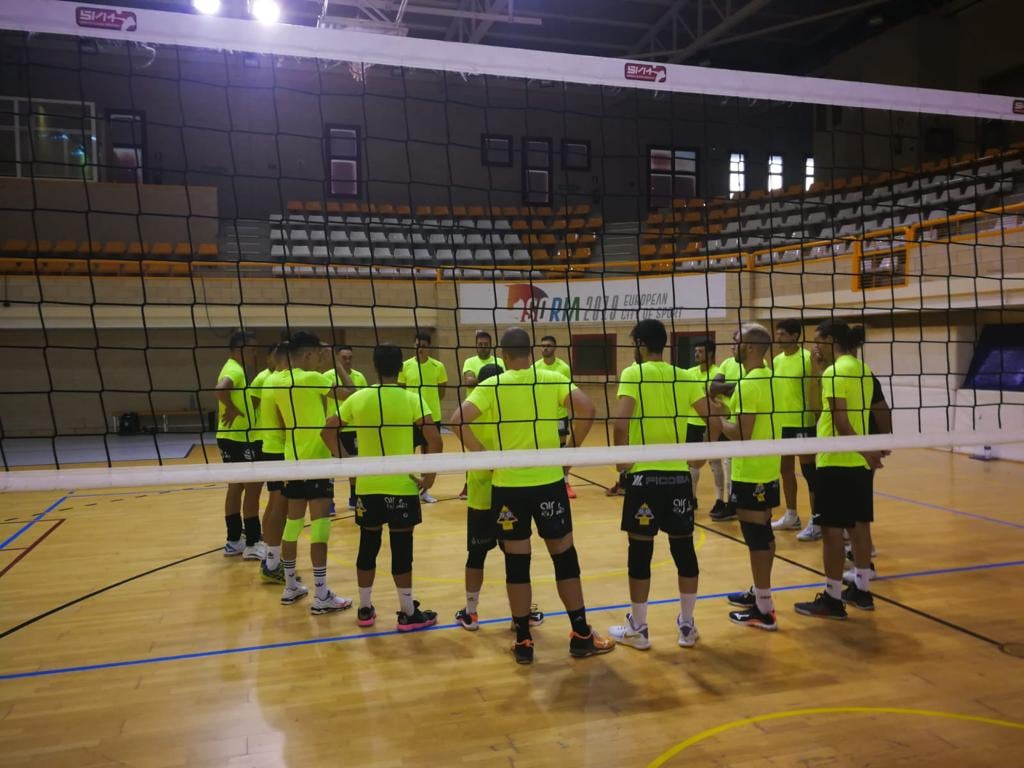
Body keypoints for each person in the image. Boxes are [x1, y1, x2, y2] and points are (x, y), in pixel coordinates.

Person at [449, 327, 614, 664]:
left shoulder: (491, 385)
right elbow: (588, 409)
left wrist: (485, 458)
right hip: (548, 482)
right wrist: (570, 452)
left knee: (517, 564)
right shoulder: (550, 378)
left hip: (508, 487)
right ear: (532, 351)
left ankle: (524, 640)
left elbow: (457, 421)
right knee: (564, 558)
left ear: (504, 355)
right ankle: (581, 635)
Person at [606, 320, 717, 651]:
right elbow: (712, 418)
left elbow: (621, 422)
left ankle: (639, 628)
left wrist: (622, 462)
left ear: (641, 344)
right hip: (678, 478)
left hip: (644, 478)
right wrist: (704, 454)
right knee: (683, 550)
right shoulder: (684, 376)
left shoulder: (633, 374)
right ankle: (686, 625)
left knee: (640, 553)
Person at [326, 343, 441, 632]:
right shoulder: (412, 399)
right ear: (401, 367)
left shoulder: (359, 398)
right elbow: (435, 441)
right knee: (402, 550)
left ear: (375, 367)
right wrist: (428, 479)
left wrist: (348, 463)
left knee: (368, 545)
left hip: (368, 486)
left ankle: (365, 609)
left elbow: (327, 430)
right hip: (402, 486)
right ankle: (406, 612)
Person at [795, 320, 881, 619]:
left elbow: (840, 421)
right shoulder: (863, 370)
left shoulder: (834, 372)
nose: (814, 347)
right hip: (857, 464)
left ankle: (832, 599)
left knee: (832, 533)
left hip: (836, 460)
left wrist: (867, 450)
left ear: (831, 340)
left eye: (817, 341)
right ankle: (862, 589)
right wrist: (869, 450)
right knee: (859, 527)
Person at [454, 363, 544, 632]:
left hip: (482, 494)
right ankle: (523, 615)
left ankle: (471, 613)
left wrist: (482, 454)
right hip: (510, 491)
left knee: (476, 555)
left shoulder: (473, 407)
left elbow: (457, 424)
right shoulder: (513, 407)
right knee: (516, 557)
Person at [266, 331, 352, 615]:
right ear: (306, 355)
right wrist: (336, 363)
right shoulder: (312, 379)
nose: (318, 360)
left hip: (292, 460)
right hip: (317, 459)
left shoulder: (276, 381)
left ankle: (290, 586)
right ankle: (322, 593)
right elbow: (349, 393)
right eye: (316, 355)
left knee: (293, 523)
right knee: (320, 526)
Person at [710, 324, 784, 631]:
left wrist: (718, 416)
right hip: (768, 468)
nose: (732, 347)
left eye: (736, 342)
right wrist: (728, 407)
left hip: (750, 470)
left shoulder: (749, 385)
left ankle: (763, 609)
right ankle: (760, 593)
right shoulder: (771, 379)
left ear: (750, 348)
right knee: (764, 532)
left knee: (756, 538)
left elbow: (741, 432)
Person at [215, 329, 264, 559]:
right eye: (251, 349)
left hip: (229, 437)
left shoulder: (231, 367)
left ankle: (234, 539)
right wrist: (233, 408)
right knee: (252, 488)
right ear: (239, 349)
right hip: (239, 437)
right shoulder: (234, 369)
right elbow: (221, 389)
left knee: (235, 487)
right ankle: (253, 542)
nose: (254, 354)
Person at [769, 319, 819, 538]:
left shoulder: (807, 358)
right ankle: (792, 516)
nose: (777, 338)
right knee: (785, 470)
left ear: (795, 336)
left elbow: (817, 386)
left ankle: (817, 520)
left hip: (803, 422)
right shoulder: (776, 360)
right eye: (777, 334)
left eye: (781, 334)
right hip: (782, 423)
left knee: (810, 473)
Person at [248, 343, 290, 581]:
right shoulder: (278, 383)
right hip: (278, 448)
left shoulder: (270, 380)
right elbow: (286, 421)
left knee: (275, 503)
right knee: (279, 504)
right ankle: (272, 564)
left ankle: (271, 558)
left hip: (269, 446)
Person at [398, 330, 449, 504]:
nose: (421, 348)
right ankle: (409, 487)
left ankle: (424, 491)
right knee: (408, 453)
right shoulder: (405, 366)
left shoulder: (438, 366)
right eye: (418, 344)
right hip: (410, 417)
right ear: (414, 345)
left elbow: (441, 391)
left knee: (429, 454)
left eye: (425, 346)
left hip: (431, 416)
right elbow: (400, 390)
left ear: (429, 347)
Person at [458, 330, 505, 500]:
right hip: (474, 414)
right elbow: (468, 380)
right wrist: (488, 379)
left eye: (486, 345)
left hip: (495, 413)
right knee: (474, 451)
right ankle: (468, 486)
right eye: (480, 345)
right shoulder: (469, 361)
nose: (483, 348)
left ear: (490, 345)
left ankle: (498, 484)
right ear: (476, 346)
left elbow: (505, 380)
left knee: (496, 450)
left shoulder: (499, 361)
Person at [684, 338, 727, 513]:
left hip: (712, 423)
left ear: (710, 354)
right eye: (695, 351)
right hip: (692, 423)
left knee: (715, 462)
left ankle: (719, 500)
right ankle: (691, 497)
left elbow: (720, 401)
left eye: (700, 351)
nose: (696, 354)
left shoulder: (718, 374)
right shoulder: (689, 373)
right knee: (691, 463)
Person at [324, 345, 368, 512]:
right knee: (331, 467)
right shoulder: (327, 376)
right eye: (344, 358)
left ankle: (354, 498)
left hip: (354, 429)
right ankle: (330, 502)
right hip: (334, 429)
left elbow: (363, 401)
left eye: (350, 357)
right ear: (337, 358)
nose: (348, 360)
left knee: (354, 466)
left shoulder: (360, 377)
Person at [534, 335, 577, 499]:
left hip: (559, 415)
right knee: (543, 447)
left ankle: (565, 481)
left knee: (561, 449)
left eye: (549, 345)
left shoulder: (563, 368)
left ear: (555, 348)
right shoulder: (535, 367)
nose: (545, 348)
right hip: (542, 416)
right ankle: (544, 480)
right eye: (543, 345)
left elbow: (567, 392)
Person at [708, 335, 743, 522]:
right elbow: (713, 387)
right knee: (726, 461)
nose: (732, 346)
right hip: (725, 418)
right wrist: (735, 387)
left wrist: (727, 388)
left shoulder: (759, 365)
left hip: (741, 419)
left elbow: (748, 387)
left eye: (737, 342)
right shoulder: (728, 363)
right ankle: (728, 502)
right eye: (732, 342)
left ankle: (734, 502)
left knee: (735, 463)